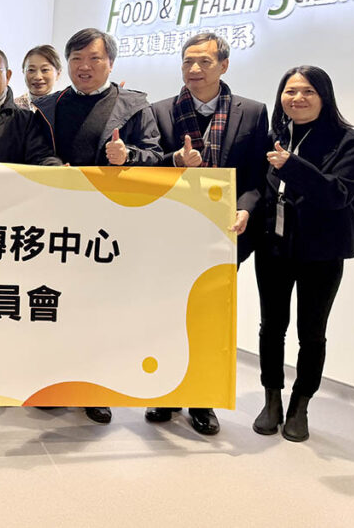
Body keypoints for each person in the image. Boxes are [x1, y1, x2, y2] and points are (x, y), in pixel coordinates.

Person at [32, 27, 162, 425]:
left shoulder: (134, 106)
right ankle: (57, 382)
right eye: (76, 59)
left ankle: (95, 389)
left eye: (94, 59)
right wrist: (57, 168)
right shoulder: (48, 106)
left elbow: (156, 156)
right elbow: (36, 153)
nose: (84, 67)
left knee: (100, 309)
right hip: (58, 222)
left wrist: (129, 155)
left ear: (111, 63)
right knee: (55, 304)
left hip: (111, 225)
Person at [144, 32, 269, 436]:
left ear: (224, 66)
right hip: (171, 233)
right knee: (166, 312)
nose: (194, 69)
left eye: (204, 62)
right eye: (187, 62)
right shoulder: (160, 111)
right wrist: (174, 160)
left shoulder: (252, 112)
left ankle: (201, 399)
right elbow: (148, 166)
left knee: (209, 319)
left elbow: (258, 177)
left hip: (223, 234)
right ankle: (166, 393)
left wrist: (246, 208)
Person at [252, 66, 354, 443]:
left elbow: (337, 194)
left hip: (322, 253)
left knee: (312, 332)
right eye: (290, 91)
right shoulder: (274, 136)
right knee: (272, 327)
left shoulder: (349, 142)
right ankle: (272, 399)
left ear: (324, 97)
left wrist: (292, 166)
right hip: (274, 247)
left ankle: (300, 404)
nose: (298, 98)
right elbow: (259, 188)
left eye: (308, 91)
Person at [14, 44, 62, 111]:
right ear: (23, 72)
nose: (38, 77)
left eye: (45, 70)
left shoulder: (65, 106)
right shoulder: (13, 107)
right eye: (31, 70)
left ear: (58, 73)